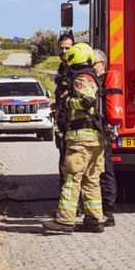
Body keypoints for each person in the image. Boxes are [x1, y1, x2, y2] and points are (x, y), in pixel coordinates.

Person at [43, 42, 105, 234]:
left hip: (81, 139)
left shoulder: (81, 78)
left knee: (72, 178)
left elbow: (87, 101)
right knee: (91, 180)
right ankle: (94, 220)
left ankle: (64, 221)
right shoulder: (93, 77)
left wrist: (66, 101)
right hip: (95, 138)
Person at [92, 48, 116, 227]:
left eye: (93, 63)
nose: (90, 67)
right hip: (92, 133)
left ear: (103, 64)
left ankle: (108, 212)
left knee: (105, 171)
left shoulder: (105, 83)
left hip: (103, 133)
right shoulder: (91, 81)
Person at [52, 32, 76, 178]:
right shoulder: (62, 67)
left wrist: (61, 106)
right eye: (61, 48)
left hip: (74, 123)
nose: (64, 51)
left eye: (67, 48)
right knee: (63, 162)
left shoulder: (75, 69)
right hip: (63, 122)